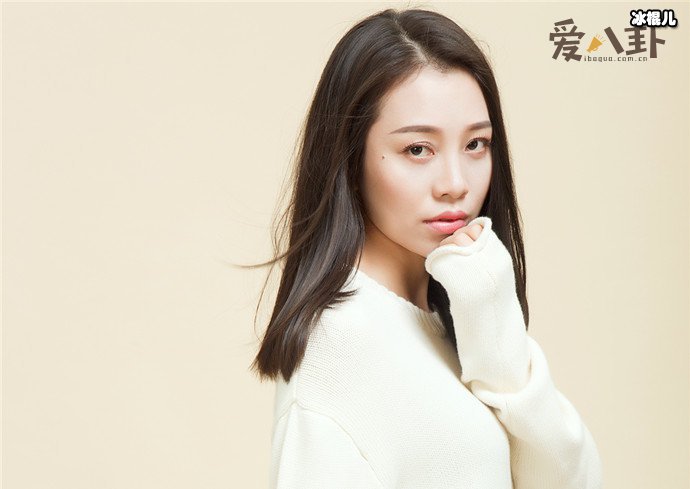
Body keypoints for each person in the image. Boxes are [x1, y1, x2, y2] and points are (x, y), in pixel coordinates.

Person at [249, 7, 603, 488]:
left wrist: (494, 326)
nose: (456, 184)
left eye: (476, 144)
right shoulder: (340, 352)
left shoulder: (456, 315)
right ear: (348, 156)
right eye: (418, 149)